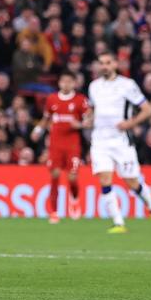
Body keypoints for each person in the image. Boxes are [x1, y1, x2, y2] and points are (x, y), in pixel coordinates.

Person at [86, 51, 151, 233]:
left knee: (131, 181)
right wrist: (88, 119)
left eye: (108, 63)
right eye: (101, 63)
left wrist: (130, 123)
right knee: (105, 179)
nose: (104, 66)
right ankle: (118, 222)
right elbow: (93, 109)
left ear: (115, 64)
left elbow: (147, 109)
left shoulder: (127, 85)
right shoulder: (94, 86)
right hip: (99, 140)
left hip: (121, 141)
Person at [30, 71, 89, 223]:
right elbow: (46, 118)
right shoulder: (52, 99)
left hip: (72, 144)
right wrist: (38, 130)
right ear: (59, 83)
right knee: (55, 175)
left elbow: (90, 118)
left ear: (74, 83)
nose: (66, 84)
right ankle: (54, 212)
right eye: (63, 81)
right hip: (55, 143)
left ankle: (74, 200)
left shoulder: (80, 100)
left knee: (72, 177)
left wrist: (81, 124)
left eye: (69, 81)